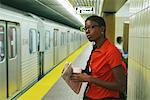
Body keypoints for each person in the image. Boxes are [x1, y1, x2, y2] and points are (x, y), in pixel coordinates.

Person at [71, 15, 126, 100]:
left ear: (102, 29)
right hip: (90, 95)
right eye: (86, 28)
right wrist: (73, 73)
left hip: (106, 97)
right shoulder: (95, 50)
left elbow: (121, 85)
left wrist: (90, 79)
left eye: (92, 27)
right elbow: (92, 73)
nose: (87, 31)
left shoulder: (111, 51)